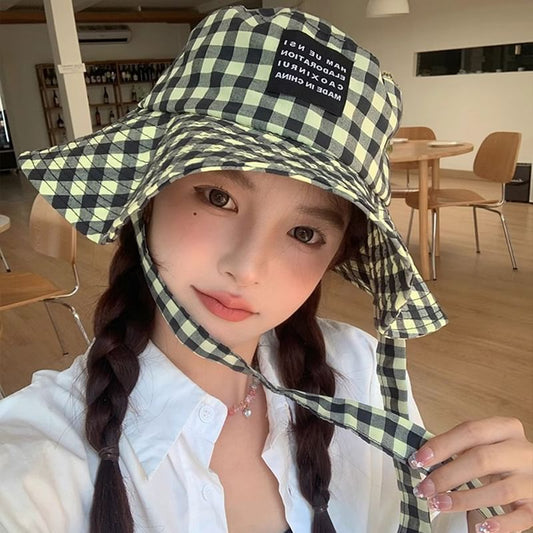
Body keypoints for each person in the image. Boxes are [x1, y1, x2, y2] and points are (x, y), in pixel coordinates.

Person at [1, 6, 531, 533]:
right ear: (149, 192)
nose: (247, 268)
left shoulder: (358, 370)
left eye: (305, 233)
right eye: (218, 197)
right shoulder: (36, 461)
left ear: (334, 254)